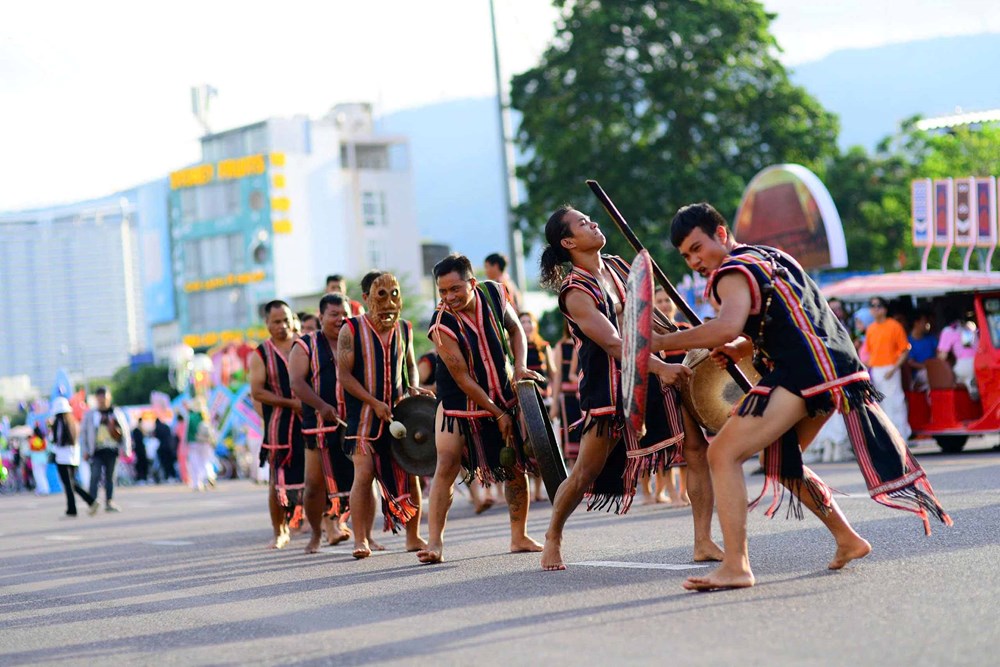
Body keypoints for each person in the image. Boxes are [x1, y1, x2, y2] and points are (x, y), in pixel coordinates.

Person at [658, 202, 950, 591]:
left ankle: (736, 565)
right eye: (686, 256)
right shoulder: (771, 257)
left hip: (805, 372)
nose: (695, 261)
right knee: (781, 462)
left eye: (697, 248)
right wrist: (743, 348)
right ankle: (848, 538)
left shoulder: (731, 271)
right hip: (836, 368)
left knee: (722, 454)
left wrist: (658, 343)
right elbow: (789, 321)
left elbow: (725, 327)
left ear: (722, 235)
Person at [536, 207, 712, 572]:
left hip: (650, 374)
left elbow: (649, 322)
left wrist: (696, 336)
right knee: (585, 473)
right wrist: (663, 367)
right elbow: (614, 343)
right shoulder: (575, 292)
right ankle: (553, 534)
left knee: (697, 449)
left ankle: (703, 541)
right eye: (583, 224)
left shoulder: (618, 266)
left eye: (591, 219)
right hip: (609, 388)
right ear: (568, 242)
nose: (593, 223)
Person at [417, 253, 544, 565]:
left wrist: (519, 367)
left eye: (455, 289)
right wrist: (496, 413)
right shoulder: (440, 324)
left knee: (514, 466)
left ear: (472, 283)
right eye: (442, 291)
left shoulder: (494, 293)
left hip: (501, 390)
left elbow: (516, 329)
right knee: (446, 464)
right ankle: (434, 544)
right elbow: (461, 377)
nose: (449, 297)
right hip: (458, 401)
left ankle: (519, 537)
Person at [337, 271, 428, 559]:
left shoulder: (405, 328)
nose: (389, 301)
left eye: (394, 294)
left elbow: (410, 365)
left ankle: (413, 536)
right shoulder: (350, 329)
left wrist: (413, 387)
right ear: (366, 298)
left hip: (399, 414)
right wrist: (373, 402)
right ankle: (360, 539)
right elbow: (344, 376)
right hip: (363, 417)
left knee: (410, 473)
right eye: (381, 294)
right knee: (364, 475)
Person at [290, 292, 356, 554]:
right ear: (321, 316)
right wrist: (321, 406)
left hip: (352, 423)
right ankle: (316, 535)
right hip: (318, 425)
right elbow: (297, 383)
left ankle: (364, 536)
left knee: (360, 481)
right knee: (314, 485)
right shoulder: (305, 344)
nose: (340, 319)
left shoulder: (357, 340)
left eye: (345, 314)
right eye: (334, 314)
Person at [249, 300, 306, 549]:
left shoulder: (306, 344)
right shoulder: (261, 353)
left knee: (318, 477)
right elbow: (257, 391)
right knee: (277, 481)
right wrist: (291, 403)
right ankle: (280, 531)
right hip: (279, 425)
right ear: (267, 324)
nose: (282, 325)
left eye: (286, 320)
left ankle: (328, 527)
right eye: (276, 321)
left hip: (310, 421)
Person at [865, 297, 912, 440]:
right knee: (881, 405)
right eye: (872, 305)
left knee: (895, 402)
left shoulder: (894, 326)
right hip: (876, 370)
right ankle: (887, 437)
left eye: (878, 305)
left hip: (891, 369)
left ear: (885, 309)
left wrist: (894, 368)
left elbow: (905, 350)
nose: (875, 309)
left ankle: (901, 435)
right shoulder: (870, 329)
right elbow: (870, 352)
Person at [80, 387, 132, 513]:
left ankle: (109, 502)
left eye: (104, 398)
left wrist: (126, 449)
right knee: (95, 476)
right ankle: (92, 502)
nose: (102, 401)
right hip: (96, 450)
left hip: (112, 449)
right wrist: (84, 450)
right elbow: (84, 433)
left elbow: (125, 431)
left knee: (110, 477)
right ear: (96, 399)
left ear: (109, 398)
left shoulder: (116, 413)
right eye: (100, 398)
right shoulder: (91, 414)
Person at [49, 397, 98, 516]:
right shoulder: (73, 422)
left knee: (69, 484)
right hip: (73, 457)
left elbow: (56, 441)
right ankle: (87, 502)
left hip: (62, 458)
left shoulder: (59, 423)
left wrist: (51, 429)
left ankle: (77, 506)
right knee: (71, 483)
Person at [549, 319, 582, 464]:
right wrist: (555, 403)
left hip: (586, 397)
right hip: (568, 399)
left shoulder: (587, 342)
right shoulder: (561, 346)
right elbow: (557, 377)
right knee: (571, 441)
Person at [937, 310, 978, 398]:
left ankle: (969, 385)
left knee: (955, 375)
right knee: (969, 377)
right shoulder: (967, 328)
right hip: (977, 362)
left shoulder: (948, 330)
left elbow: (943, 356)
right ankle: (971, 385)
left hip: (963, 365)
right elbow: (969, 348)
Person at [907, 309, 938, 391]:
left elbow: (939, 354)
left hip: (935, 369)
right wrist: (927, 367)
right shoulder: (908, 341)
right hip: (920, 373)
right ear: (916, 323)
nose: (927, 324)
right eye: (924, 321)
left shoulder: (931, 339)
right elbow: (910, 362)